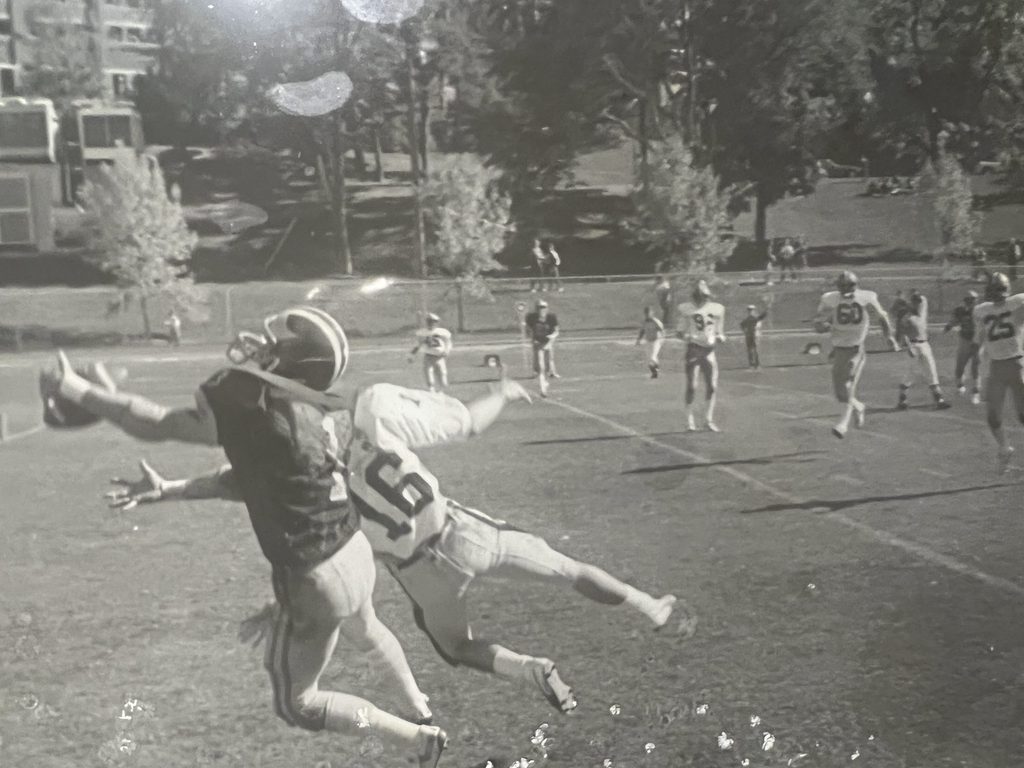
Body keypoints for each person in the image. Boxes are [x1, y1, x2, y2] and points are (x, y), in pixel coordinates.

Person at [104, 382, 679, 717]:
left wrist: (174, 490)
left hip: (418, 572)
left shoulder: (300, 469)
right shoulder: (372, 410)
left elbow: (251, 498)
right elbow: (467, 424)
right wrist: (500, 390)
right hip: (462, 532)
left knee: (456, 647)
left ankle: (527, 669)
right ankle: (649, 606)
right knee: (568, 568)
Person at [38, 307, 448, 767]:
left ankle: (419, 739)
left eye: (280, 348)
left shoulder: (253, 404)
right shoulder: (314, 411)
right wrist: (171, 490)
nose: (266, 348)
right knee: (366, 626)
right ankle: (418, 702)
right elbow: (251, 480)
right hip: (352, 551)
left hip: (316, 575)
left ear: (295, 366)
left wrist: (75, 389)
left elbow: (156, 422)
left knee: (300, 702)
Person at [812, 271, 899, 439]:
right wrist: (822, 325)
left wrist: (889, 337)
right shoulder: (830, 298)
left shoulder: (866, 297)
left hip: (856, 349)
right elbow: (818, 321)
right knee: (840, 394)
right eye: (843, 286)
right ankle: (859, 407)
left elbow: (882, 316)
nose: (846, 289)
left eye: (850, 285)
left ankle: (842, 424)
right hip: (839, 349)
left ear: (856, 285)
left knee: (848, 385)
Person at [969, 272, 1024, 472]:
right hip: (997, 367)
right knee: (993, 417)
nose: (998, 294)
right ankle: (1004, 449)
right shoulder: (983, 310)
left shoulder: (1017, 303)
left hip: (1018, 363)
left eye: (999, 290)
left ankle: (1004, 448)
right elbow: (979, 339)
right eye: (996, 290)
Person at [676, 279, 726, 432]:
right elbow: (679, 332)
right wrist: (689, 337)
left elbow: (719, 331)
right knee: (692, 386)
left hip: (709, 351)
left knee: (712, 386)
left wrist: (720, 337)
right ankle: (689, 421)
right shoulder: (686, 309)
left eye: (702, 296)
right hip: (694, 349)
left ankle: (708, 420)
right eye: (698, 296)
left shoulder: (717, 309)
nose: (700, 298)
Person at [895, 291, 951, 411]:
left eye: (919, 302)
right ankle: (902, 399)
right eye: (915, 302)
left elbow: (923, 300)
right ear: (912, 304)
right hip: (913, 345)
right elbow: (903, 333)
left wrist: (916, 295)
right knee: (911, 372)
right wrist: (908, 346)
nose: (918, 304)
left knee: (931, 370)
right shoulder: (907, 317)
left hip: (925, 345)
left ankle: (939, 399)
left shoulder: (922, 312)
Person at [944, 291, 982, 404]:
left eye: (972, 300)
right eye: (969, 300)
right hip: (964, 340)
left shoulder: (981, 311)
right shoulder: (960, 310)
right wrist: (948, 327)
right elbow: (954, 321)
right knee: (960, 366)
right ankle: (960, 385)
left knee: (976, 367)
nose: (971, 303)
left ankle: (976, 392)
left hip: (977, 340)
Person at [409, 313, 453, 392]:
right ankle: (431, 390)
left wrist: (447, 350)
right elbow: (417, 345)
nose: (431, 324)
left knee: (442, 374)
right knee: (428, 372)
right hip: (428, 356)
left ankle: (442, 391)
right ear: (426, 322)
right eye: (429, 322)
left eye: (433, 322)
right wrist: (412, 355)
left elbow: (448, 343)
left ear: (437, 323)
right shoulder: (422, 332)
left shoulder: (442, 332)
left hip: (439, 356)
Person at [524, 299, 559, 397]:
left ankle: (546, 381)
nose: (541, 310)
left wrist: (551, 339)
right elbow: (528, 330)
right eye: (539, 307)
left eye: (543, 307)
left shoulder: (551, 317)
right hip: (538, 343)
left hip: (548, 341)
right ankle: (542, 388)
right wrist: (532, 338)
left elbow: (556, 331)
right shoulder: (531, 317)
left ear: (547, 308)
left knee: (547, 367)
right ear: (536, 309)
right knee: (541, 367)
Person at [635, 305, 666, 378]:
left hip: (656, 341)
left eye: (648, 313)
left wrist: (662, 338)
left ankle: (655, 372)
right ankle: (655, 371)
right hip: (648, 341)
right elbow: (642, 331)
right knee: (649, 359)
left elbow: (662, 330)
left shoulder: (656, 321)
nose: (647, 314)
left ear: (652, 313)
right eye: (646, 313)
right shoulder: (644, 322)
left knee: (653, 357)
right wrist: (638, 340)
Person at [739, 304, 768, 370]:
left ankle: (757, 364)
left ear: (754, 310)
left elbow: (762, 316)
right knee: (749, 350)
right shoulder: (747, 319)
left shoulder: (756, 318)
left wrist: (766, 310)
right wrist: (745, 331)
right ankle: (751, 364)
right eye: (749, 310)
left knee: (756, 350)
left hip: (755, 335)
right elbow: (742, 325)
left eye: (751, 310)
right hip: (749, 336)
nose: (750, 311)